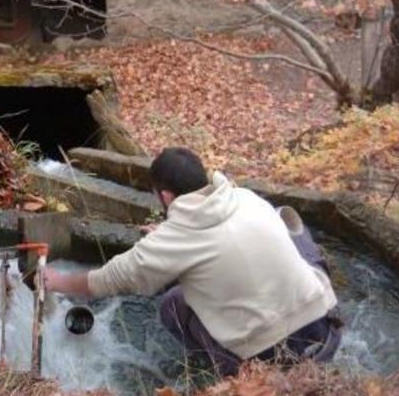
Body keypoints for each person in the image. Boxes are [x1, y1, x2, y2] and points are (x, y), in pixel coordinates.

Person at [44, 147, 342, 376]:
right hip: (325, 328)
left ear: (165, 195)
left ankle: (226, 375)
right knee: (285, 223)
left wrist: (59, 282)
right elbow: (220, 237)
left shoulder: (175, 240)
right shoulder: (245, 197)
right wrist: (168, 237)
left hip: (268, 359)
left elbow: (108, 279)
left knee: (173, 303)